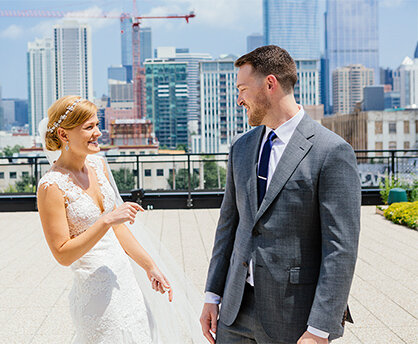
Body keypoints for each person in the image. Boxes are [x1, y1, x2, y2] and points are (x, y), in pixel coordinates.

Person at [199, 45, 360, 344]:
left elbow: (340, 249)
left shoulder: (332, 152)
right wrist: (212, 294)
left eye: (243, 89)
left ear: (270, 84)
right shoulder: (241, 148)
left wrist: (320, 330)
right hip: (234, 313)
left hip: (294, 319)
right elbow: (228, 226)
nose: (239, 99)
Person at [36, 95, 203, 343]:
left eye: (97, 125)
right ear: (63, 134)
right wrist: (105, 221)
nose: (98, 133)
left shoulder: (98, 166)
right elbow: (62, 254)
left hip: (125, 282)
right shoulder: (51, 186)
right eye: (89, 127)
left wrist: (150, 266)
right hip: (96, 294)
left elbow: (120, 230)